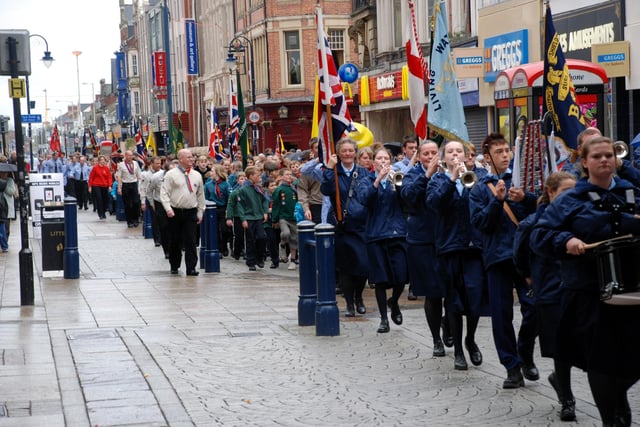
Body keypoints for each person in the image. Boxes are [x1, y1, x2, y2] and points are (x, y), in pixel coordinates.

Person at [531, 136, 640, 426]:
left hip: (632, 291)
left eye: (609, 156)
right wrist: (567, 240)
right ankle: (611, 418)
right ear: (584, 162)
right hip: (589, 293)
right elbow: (539, 236)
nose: (604, 160)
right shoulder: (570, 199)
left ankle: (617, 401)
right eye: (597, 157)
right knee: (602, 360)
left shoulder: (631, 193)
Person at [469, 132, 538, 389]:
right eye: (499, 152)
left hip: (524, 255)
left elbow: (541, 210)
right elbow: (480, 224)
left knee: (534, 306)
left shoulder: (521, 182)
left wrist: (527, 199)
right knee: (501, 315)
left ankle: (525, 352)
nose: (505, 155)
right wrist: (497, 202)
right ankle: (511, 366)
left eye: (507, 150)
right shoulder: (478, 189)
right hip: (497, 256)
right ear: (487, 157)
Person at [513, 171, 577, 421]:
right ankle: (567, 398)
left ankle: (560, 379)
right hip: (549, 291)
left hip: (576, 287)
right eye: (564, 194)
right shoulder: (532, 224)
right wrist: (529, 276)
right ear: (551, 193)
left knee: (579, 342)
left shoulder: (580, 220)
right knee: (561, 347)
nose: (569, 199)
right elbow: (519, 254)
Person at [427, 141, 486, 371]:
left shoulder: (475, 178)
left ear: (466, 155)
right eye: (450, 152)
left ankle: (470, 339)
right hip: (449, 247)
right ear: (444, 157)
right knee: (453, 300)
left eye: (458, 151)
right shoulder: (438, 180)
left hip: (473, 248)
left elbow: (483, 203)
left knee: (474, 298)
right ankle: (459, 352)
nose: (455, 155)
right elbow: (434, 204)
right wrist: (452, 179)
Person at [400, 140, 450, 356]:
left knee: (450, 289)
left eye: (433, 153)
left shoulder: (448, 172)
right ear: (419, 156)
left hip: (446, 238)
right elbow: (409, 197)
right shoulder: (412, 175)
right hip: (422, 240)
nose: (430, 156)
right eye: (426, 153)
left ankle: (449, 324)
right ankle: (436, 339)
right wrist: (427, 175)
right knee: (432, 293)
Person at [358, 146, 408, 333]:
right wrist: (378, 180)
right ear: (373, 162)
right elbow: (364, 199)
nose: (383, 162)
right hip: (376, 234)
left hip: (397, 232)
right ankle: (383, 319)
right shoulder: (367, 180)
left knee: (401, 277)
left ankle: (393, 301)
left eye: (386, 159)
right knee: (380, 279)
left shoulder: (398, 177)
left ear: (391, 161)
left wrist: (399, 186)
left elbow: (407, 201)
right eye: (379, 159)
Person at [321, 137, 370, 317]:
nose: (348, 154)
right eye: (344, 151)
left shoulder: (364, 172)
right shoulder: (334, 172)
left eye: (351, 150)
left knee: (363, 266)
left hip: (361, 226)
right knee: (346, 267)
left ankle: (359, 297)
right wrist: (328, 167)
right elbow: (326, 190)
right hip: (342, 226)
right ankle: (349, 303)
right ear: (339, 153)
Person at [160, 149, 205, 276]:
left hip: (191, 211)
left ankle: (191, 267)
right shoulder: (171, 175)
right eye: (189, 157)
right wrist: (168, 208)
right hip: (175, 211)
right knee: (175, 240)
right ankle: (174, 265)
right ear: (181, 159)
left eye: (192, 157)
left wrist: (200, 211)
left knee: (191, 240)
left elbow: (201, 195)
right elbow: (164, 193)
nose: (192, 159)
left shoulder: (196, 175)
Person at [235, 166, 269, 271]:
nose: (260, 177)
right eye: (257, 175)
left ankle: (260, 257)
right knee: (250, 240)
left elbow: (265, 200)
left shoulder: (259, 188)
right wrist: (243, 219)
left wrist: (265, 211)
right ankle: (251, 261)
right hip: (249, 217)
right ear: (251, 176)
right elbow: (240, 205)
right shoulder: (243, 190)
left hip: (258, 216)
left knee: (262, 237)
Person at [271, 168, 299, 270]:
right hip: (283, 217)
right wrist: (275, 219)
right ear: (282, 176)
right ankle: (282, 244)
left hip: (293, 217)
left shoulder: (293, 189)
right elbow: (276, 205)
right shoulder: (279, 190)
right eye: (287, 174)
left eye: (290, 174)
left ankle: (292, 260)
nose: (289, 176)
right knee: (286, 233)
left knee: (294, 239)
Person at [204, 164, 231, 256]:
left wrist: (229, 210)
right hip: (212, 209)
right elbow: (206, 197)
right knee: (215, 230)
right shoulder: (208, 185)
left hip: (223, 208)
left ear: (218, 173)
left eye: (212, 171)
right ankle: (219, 248)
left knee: (224, 229)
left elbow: (229, 197)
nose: (211, 173)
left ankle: (224, 246)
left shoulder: (226, 184)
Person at [297, 138, 324, 225]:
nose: (320, 149)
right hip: (317, 204)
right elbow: (302, 189)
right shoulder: (308, 169)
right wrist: (306, 208)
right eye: (317, 147)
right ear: (312, 150)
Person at [116, 150, 143, 228]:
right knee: (128, 204)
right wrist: (119, 188)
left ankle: (135, 219)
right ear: (125, 156)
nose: (130, 157)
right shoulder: (121, 165)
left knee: (136, 202)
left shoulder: (135, 163)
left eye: (131, 155)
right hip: (126, 184)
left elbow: (139, 175)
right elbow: (119, 177)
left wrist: (139, 187)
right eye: (128, 155)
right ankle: (129, 221)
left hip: (134, 184)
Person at [226, 172, 247, 261]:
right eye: (241, 179)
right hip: (237, 216)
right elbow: (230, 205)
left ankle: (247, 252)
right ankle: (237, 251)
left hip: (248, 216)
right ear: (238, 181)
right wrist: (229, 217)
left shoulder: (250, 191)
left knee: (248, 236)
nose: (244, 180)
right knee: (239, 235)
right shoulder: (235, 192)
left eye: (245, 178)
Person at [87, 155, 113, 220]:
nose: (102, 161)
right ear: (99, 161)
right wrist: (90, 186)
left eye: (103, 160)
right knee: (99, 199)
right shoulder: (95, 168)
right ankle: (100, 213)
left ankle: (104, 212)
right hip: (96, 185)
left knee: (105, 199)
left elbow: (109, 177)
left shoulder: (106, 168)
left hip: (104, 185)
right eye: (101, 160)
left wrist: (109, 185)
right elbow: (91, 177)